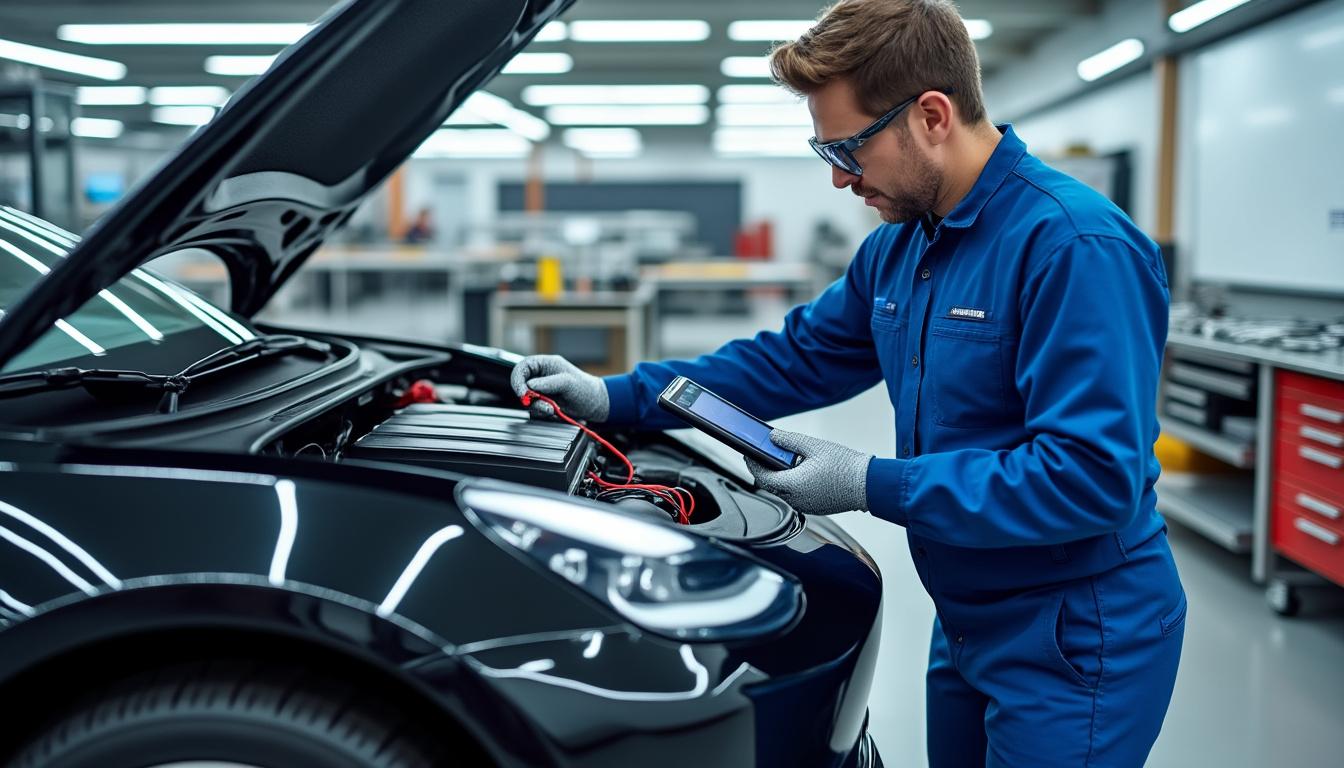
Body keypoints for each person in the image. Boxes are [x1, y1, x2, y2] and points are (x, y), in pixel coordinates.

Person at [510, 1, 1184, 765]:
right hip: (965, 614)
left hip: (1075, 632)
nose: (838, 179)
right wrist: (618, 395)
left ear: (932, 115)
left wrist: (870, 482)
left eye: (850, 148)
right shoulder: (900, 249)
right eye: (821, 149)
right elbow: (787, 359)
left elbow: (1093, 478)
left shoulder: (1074, 246)